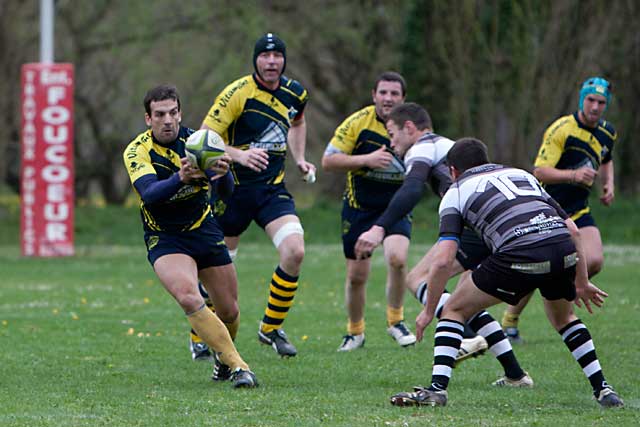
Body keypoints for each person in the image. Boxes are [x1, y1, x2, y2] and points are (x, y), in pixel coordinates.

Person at [387, 137, 623, 408]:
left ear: (452, 171)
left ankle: (437, 391)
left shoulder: (456, 191)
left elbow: (442, 262)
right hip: (561, 247)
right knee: (566, 318)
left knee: (454, 309)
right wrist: (581, 281)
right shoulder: (520, 174)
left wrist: (429, 311)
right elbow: (573, 230)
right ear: (485, 161)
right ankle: (603, 389)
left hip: (518, 252)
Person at [356, 103, 527, 374]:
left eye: (392, 134)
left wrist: (379, 228)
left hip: (476, 228)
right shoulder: (448, 145)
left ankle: (469, 338)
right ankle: (515, 375)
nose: (391, 142)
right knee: (464, 300)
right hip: (497, 228)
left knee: (418, 279)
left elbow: (412, 189)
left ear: (409, 128)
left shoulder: (423, 147)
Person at [123, 85, 258, 388]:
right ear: (148, 118)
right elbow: (150, 194)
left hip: (203, 228)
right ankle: (238, 366)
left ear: (180, 113)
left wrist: (222, 175)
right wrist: (180, 177)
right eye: (159, 114)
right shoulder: (137, 150)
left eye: (173, 113)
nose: (167, 120)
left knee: (230, 310)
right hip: (165, 237)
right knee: (188, 296)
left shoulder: (199, 142)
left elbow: (227, 192)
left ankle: (223, 361)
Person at [200, 33, 314, 357]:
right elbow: (204, 136)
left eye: (277, 55)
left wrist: (300, 158)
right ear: (256, 61)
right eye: (265, 56)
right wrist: (239, 155)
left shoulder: (296, 93)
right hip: (232, 190)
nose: (271, 61)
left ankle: (270, 328)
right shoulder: (238, 92)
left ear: (283, 60)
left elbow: (298, 122)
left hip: (271, 191)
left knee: (295, 251)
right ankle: (200, 336)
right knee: (216, 271)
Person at [501, 77, 617, 344]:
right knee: (540, 267)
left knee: (595, 259)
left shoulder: (608, 132)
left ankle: (566, 289)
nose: (595, 107)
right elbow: (540, 171)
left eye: (601, 102)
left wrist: (608, 184)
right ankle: (510, 320)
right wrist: (574, 175)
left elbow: (607, 159)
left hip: (579, 208)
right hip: (548, 209)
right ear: (581, 100)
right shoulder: (562, 129)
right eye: (590, 100)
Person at [321, 71, 417, 351]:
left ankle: (396, 321)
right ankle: (355, 332)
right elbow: (328, 161)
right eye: (383, 93)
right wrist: (367, 160)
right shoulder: (357, 123)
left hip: (395, 207)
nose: (388, 98)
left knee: (398, 258)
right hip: (359, 209)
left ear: (403, 98)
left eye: (394, 94)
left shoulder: (410, 126)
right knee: (356, 276)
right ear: (373, 95)